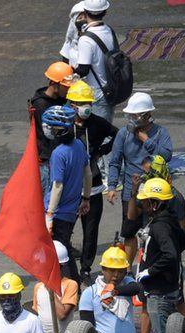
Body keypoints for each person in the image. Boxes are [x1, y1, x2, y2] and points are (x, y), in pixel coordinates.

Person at [106, 92, 172, 260]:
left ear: (147, 114)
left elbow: (166, 156)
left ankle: (149, 264)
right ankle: (127, 269)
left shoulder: (160, 133)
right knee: (129, 231)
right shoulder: (123, 134)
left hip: (155, 192)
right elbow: (115, 161)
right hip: (131, 192)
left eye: (135, 115)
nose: (131, 118)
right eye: (130, 115)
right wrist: (112, 186)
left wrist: (146, 140)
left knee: (153, 230)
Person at [69, 79, 117, 287]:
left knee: (91, 231)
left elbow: (116, 134)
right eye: (81, 104)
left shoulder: (97, 123)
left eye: (88, 103)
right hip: (70, 189)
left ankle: (85, 269)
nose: (85, 108)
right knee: (64, 229)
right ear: (71, 105)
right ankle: (67, 271)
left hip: (94, 187)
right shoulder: (64, 125)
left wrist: (101, 151)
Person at [135, 178, 185, 333]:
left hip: (159, 292)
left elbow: (171, 254)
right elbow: (183, 241)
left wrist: (150, 270)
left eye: (145, 201)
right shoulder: (167, 220)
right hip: (168, 288)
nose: (142, 203)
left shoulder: (160, 227)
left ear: (155, 203)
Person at [42, 104, 92, 282]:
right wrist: (86, 198)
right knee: (65, 247)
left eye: (50, 127)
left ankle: (70, 287)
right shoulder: (79, 145)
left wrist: (49, 214)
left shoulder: (58, 154)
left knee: (61, 252)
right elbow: (88, 173)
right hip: (72, 210)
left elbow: (57, 186)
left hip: (59, 213)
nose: (48, 130)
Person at [79, 246, 138, 333]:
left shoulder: (127, 283)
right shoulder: (90, 293)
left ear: (126, 271)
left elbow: (137, 288)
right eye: (112, 270)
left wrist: (115, 292)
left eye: (120, 271)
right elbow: (87, 328)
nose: (116, 275)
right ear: (103, 269)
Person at [32, 241, 80, 333]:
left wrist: (50, 289)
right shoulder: (38, 287)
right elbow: (37, 317)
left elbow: (62, 314)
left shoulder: (70, 285)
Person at [29, 61, 74, 194]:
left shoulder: (62, 99)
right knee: (49, 202)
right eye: (66, 87)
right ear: (55, 84)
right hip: (48, 161)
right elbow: (56, 133)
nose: (69, 90)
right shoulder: (40, 105)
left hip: (61, 157)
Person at [74, 0, 115, 121]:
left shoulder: (86, 39)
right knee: (106, 129)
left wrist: (71, 73)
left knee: (100, 134)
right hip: (111, 89)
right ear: (105, 12)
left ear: (85, 12)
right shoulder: (109, 30)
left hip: (97, 93)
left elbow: (83, 69)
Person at [60, 1, 85, 67]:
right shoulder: (70, 41)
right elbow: (65, 63)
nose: (83, 21)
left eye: (86, 18)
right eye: (80, 18)